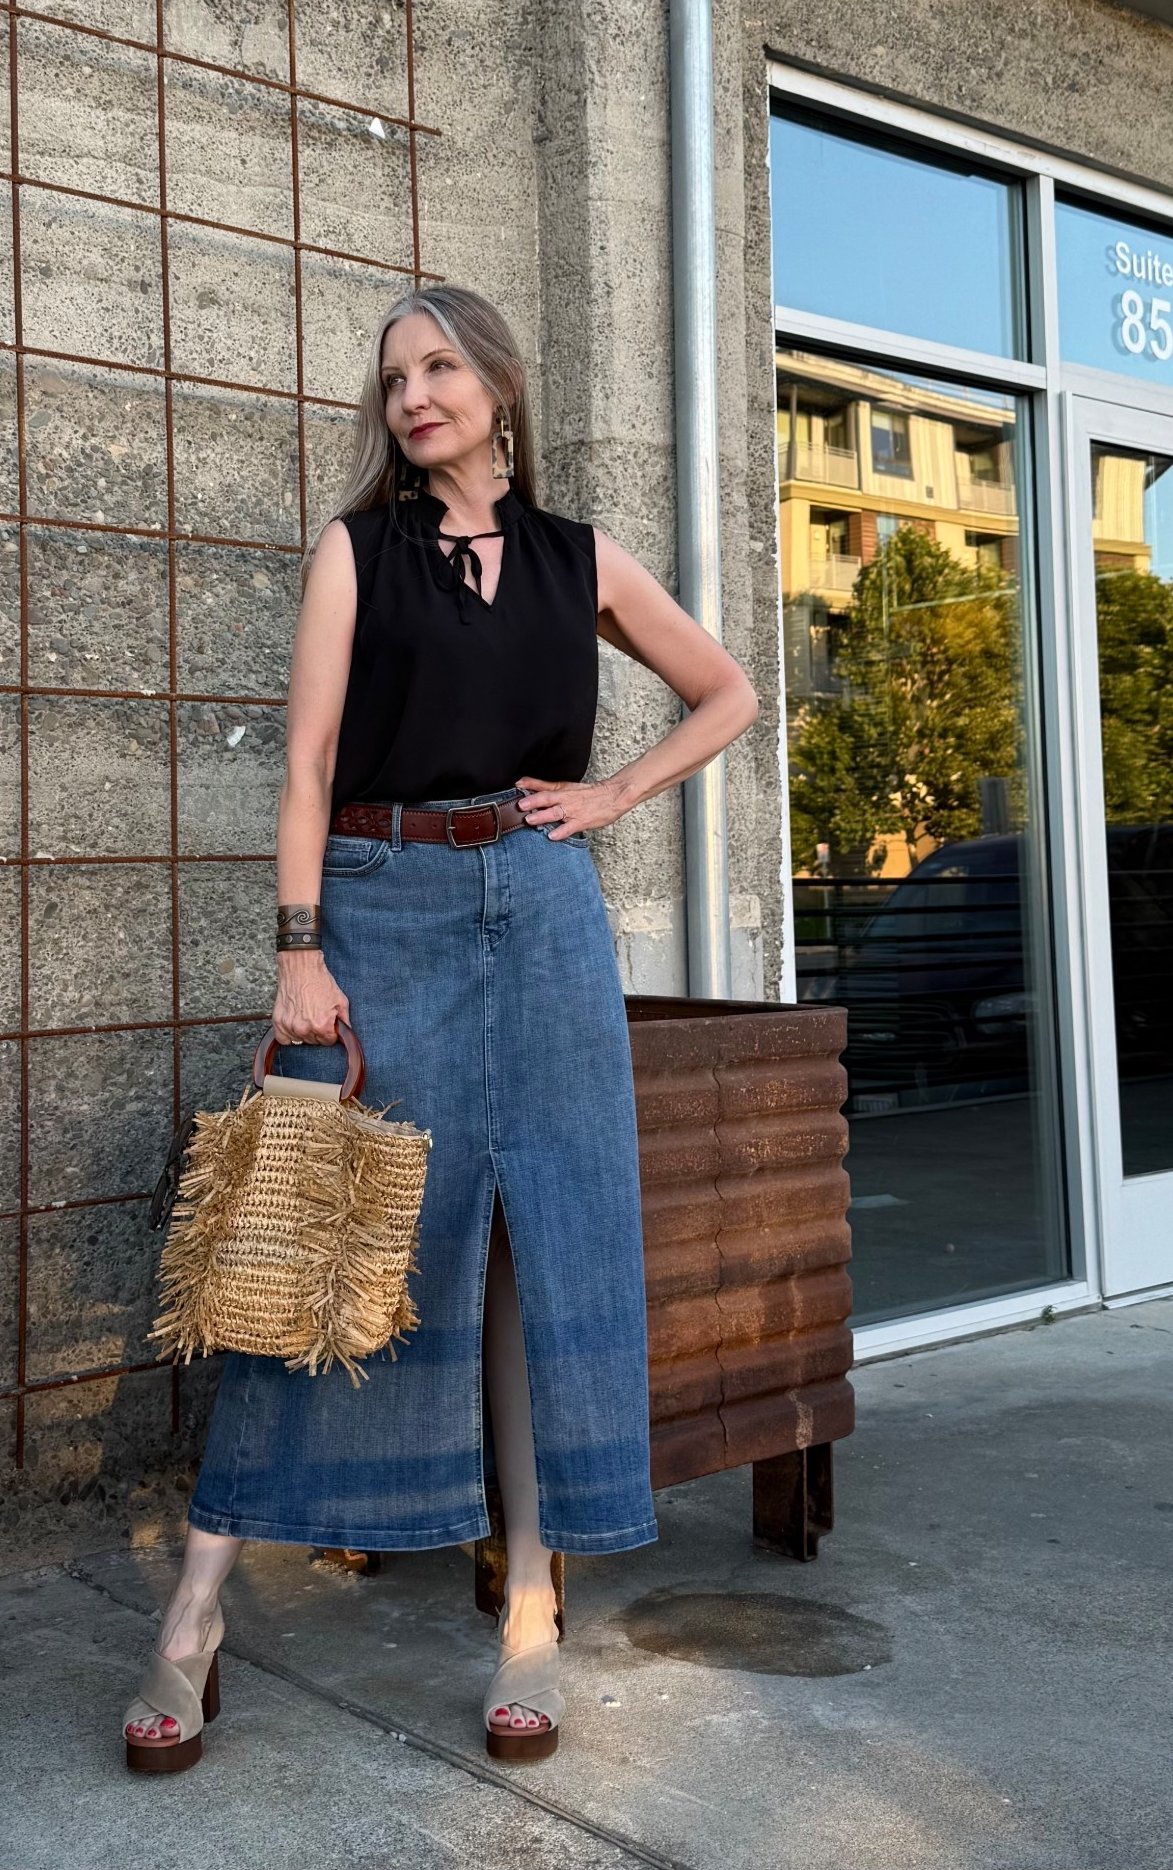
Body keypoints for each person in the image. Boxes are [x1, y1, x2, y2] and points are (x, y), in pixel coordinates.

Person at [123, 283, 758, 1771]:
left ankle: (531, 1609)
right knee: (329, 1244)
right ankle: (194, 1617)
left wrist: (609, 797)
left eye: (440, 366)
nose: (413, 394)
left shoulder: (579, 557)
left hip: (539, 916)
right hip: (381, 904)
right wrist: (297, 949)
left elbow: (725, 692)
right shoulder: (357, 552)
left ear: (500, 387)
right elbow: (302, 764)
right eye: (394, 376)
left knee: (545, 1247)